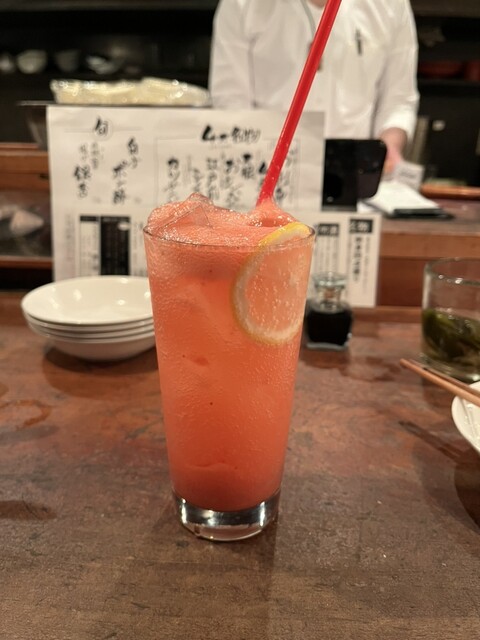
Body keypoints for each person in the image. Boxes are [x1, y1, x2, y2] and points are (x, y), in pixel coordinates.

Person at [209, 0, 420, 172]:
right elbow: (230, 100)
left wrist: (388, 148)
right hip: (267, 168)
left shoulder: (391, 4)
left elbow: (399, 99)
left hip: (355, 173)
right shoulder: (241, 4)